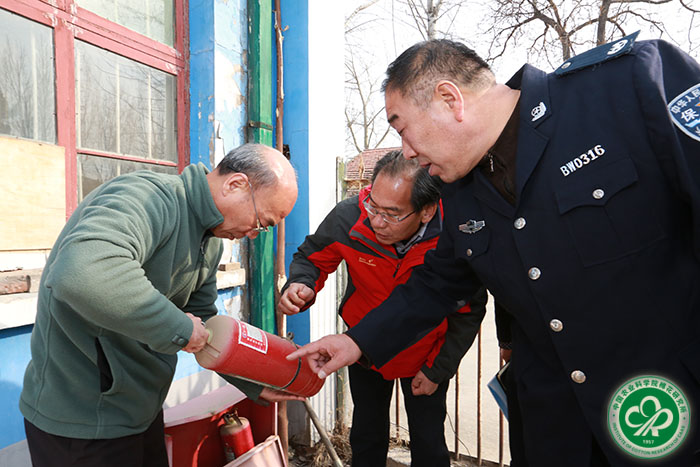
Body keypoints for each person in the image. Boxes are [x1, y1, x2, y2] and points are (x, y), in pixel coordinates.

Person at [289, 36, 700, 466]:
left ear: (450, 100)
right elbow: (437, 285)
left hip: (667, 411)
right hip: (557, 431)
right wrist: (354, 342)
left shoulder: (628, 85)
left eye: (402, 129)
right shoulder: (460, 190)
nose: (406, 151)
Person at [20, 143, 303, 467]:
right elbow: (82, 271)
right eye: (262, 222)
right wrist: (179, 328)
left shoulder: (210, 239)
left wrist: (254, 381)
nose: (254, 234)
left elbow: (206, 327)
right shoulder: (148, 198)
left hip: (140, 411)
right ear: (235, 184)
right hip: (83, 418)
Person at [279, 150, 486, 466]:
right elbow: (313, 256)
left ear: (427, 211)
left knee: (428, 441)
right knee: (366, 435)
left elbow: (468, 311)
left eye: (392, 214)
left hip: (424, 355)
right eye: (373, 206)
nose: (376, 221)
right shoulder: (349, 217)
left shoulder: (453, 235)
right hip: (361, 349)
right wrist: (302, 284)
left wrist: (437, 369)